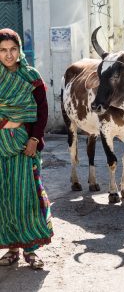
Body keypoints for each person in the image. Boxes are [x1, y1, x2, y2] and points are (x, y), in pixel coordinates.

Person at [0, 28, 53, 269]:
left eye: (13, 49)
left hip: (24, 146)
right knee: (6, 198)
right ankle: (11, 248)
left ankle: (30, 251)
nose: (8, 55)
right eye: (3, 50)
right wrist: (11, 120)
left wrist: (33, 139)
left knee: (26, 197)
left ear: (20, 50)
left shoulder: (31, 76)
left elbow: (40, 112)